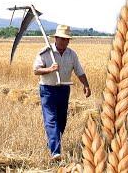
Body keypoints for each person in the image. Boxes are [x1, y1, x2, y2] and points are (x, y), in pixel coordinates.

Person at [33, 25, 91, 160]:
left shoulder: (72, 54)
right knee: (51, 119)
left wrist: (86, 85)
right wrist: (50, 69)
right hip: (48, 89)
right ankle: (55, 152)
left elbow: (79, 71)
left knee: (61, 121)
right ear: (56, 38)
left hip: (64, 89)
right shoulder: (46, 52)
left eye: (67, 39)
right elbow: (36, 70)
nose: (65, 41)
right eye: (62, 39)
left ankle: (52, 143)